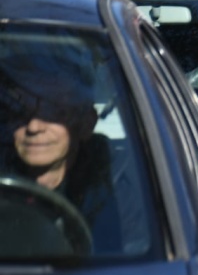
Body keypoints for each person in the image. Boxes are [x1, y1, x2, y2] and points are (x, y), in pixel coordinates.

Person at [0, 56, 121, 254]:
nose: (33, 126)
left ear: (86, 124)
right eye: (21, 111)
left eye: (53, 112)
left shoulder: (124, 187)